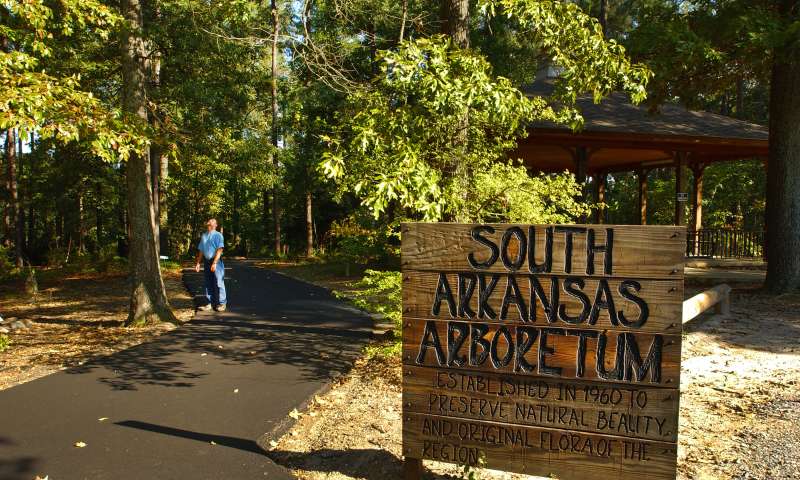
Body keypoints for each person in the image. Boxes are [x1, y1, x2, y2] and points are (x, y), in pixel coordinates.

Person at [195, 218, 227, 311]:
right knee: (208, 282)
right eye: (209, 222)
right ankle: (210, 303)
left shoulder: (218, 235)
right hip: (206, 261)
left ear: (215, 225)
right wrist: (198, 263)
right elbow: (201, 250)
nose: (210, 223)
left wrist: (215, 263)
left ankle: (222, 303)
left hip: (216, 261)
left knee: (219, 282)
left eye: (212, 222)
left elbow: (220, 249)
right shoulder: (204, 236)